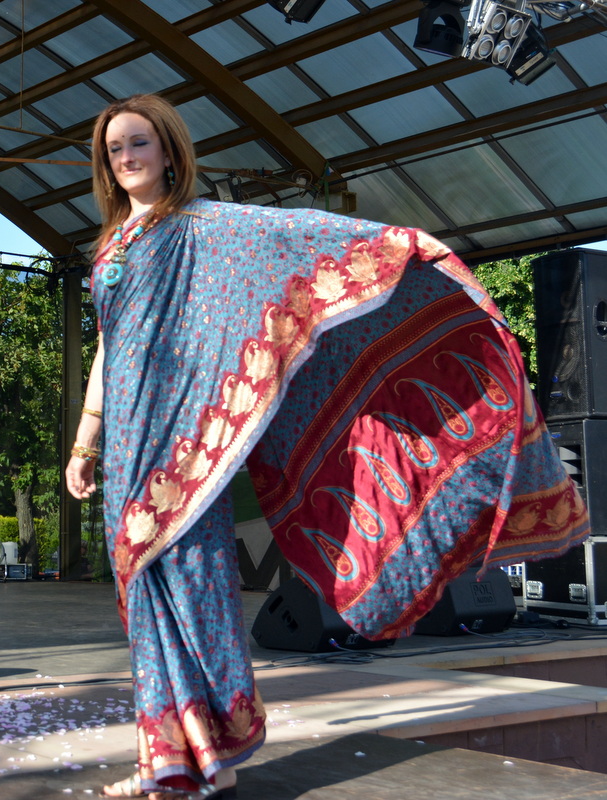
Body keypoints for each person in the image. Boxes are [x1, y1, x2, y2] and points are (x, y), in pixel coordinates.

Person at [66, 93, 589, 800]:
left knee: (192, 579)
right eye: (114, 150)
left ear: (167, 150)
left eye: (138, 143)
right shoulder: (109, 247)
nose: (126, 158)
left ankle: (210, 754)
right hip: (128, 441)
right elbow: (111, 346)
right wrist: (86, 440)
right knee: (141, 586)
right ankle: (163, 757)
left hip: (188, 438)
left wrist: (398, 248)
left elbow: (298, 239)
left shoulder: (205, 228)